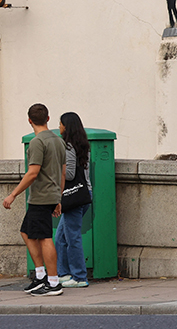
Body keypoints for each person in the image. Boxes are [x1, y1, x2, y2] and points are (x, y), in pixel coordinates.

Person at [2, 103, 67, 296]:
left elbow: (32, 173)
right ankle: (40, 275)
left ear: (29, 120)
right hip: (51, 194)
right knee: (26, 232)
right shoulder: (58, 141)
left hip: (40, 196)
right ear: (48, 119)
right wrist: (58, 198)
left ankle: (53, 282)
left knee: (45, 237)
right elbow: (62, 173)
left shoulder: (37, 142)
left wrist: (13, 194)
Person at [55, 112, 92, 288]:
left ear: (66, 126)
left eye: (60, 123)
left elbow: (69, 174)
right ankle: (63, 273)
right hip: (82, 194)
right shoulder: (83, 145)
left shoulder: (68, 147)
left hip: (73, 196)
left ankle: (79, 277)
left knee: (72, 238)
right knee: (61, 236)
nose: (59, 126)